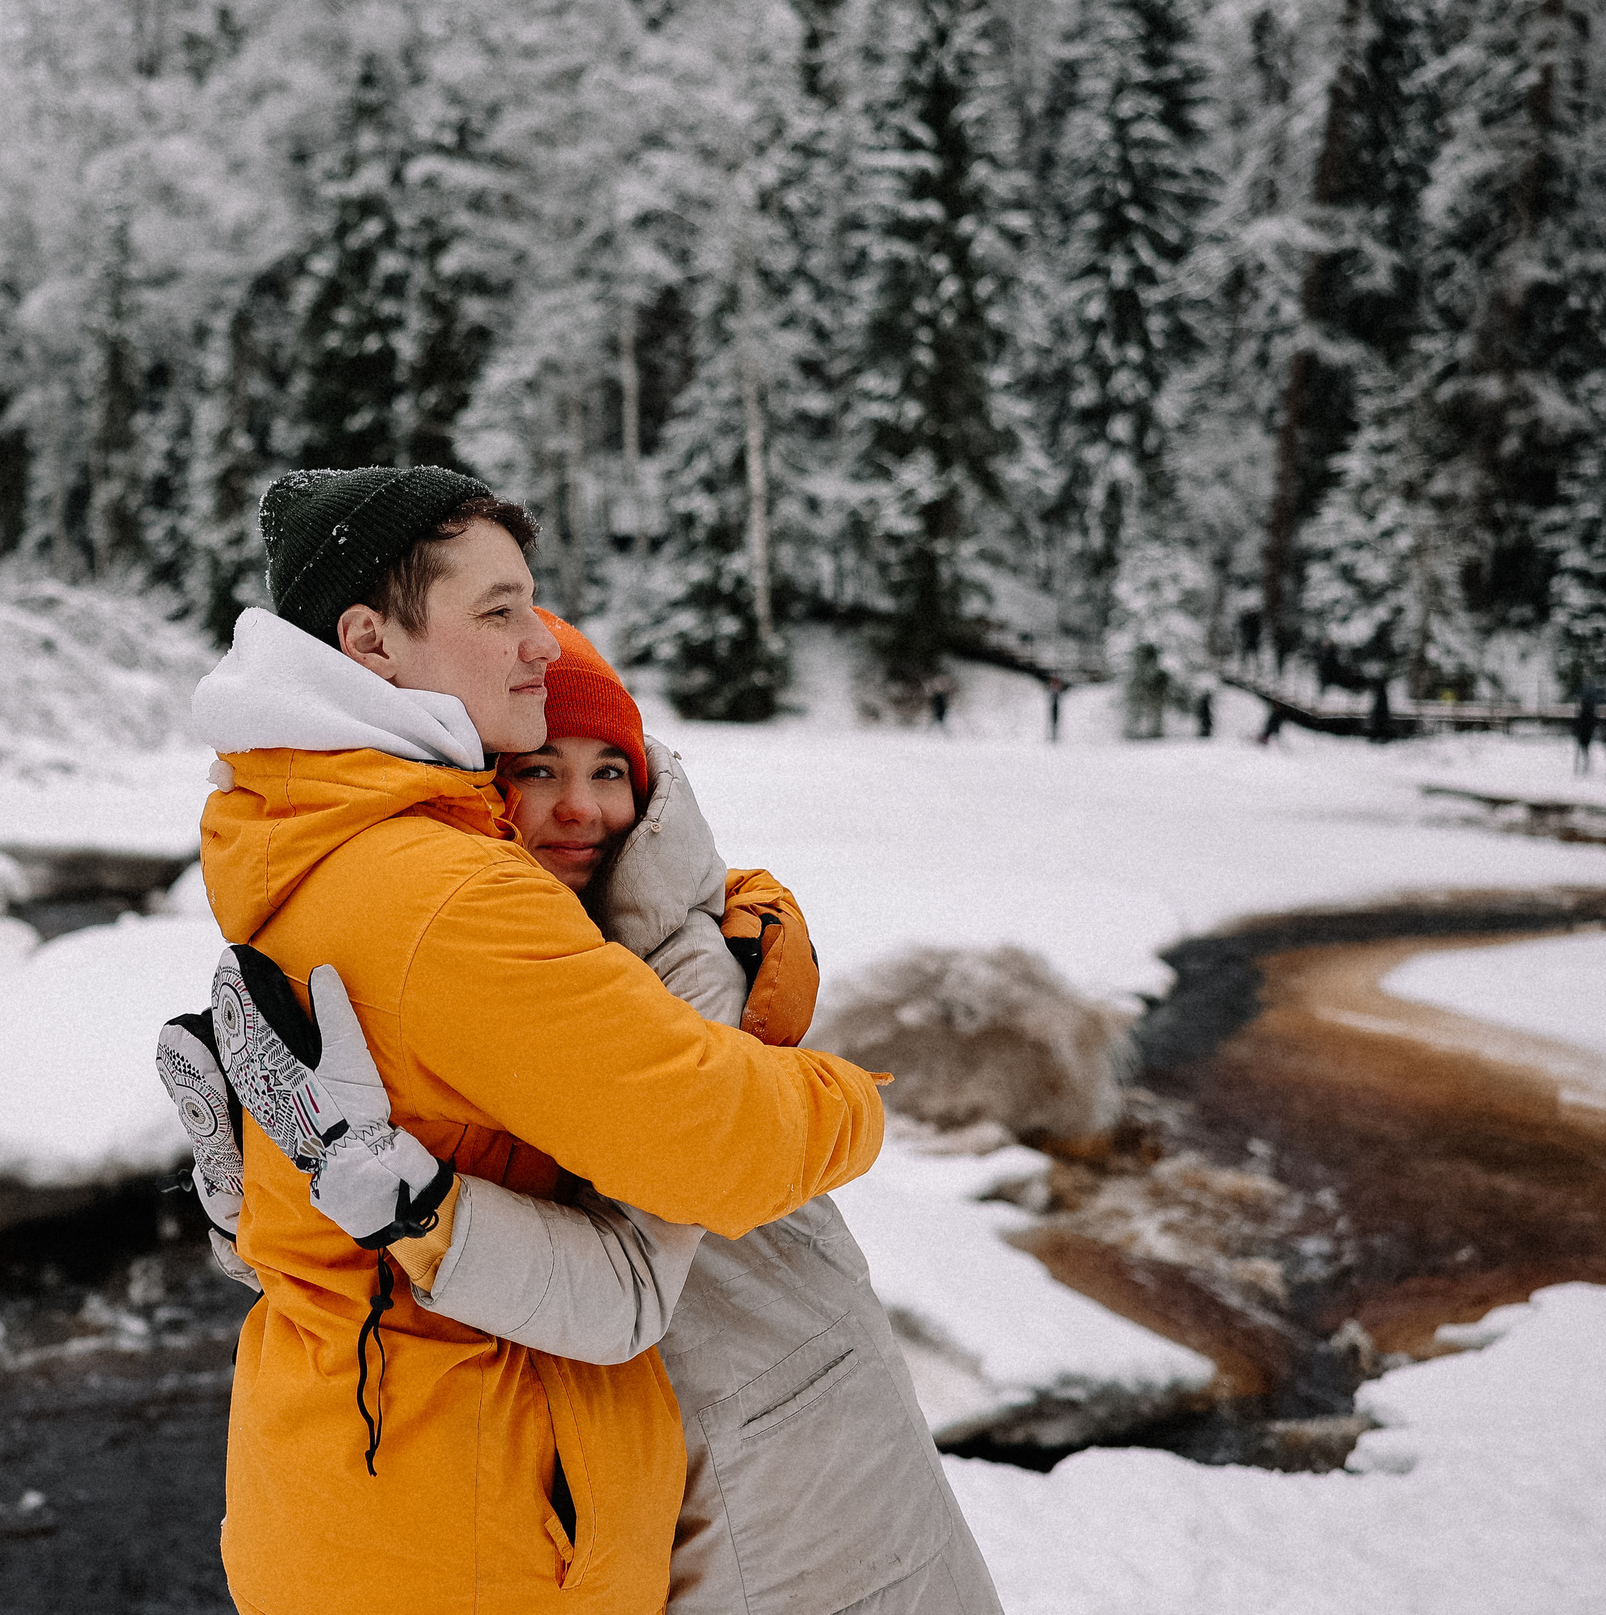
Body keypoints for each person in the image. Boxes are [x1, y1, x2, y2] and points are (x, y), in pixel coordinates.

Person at [171, 612, 1002, 1614]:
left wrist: (413, 1206)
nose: (577, 809)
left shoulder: (682, 972)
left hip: (767, 1428)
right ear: (484, 787)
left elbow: (622, 1287)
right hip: (651, 1413)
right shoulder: (494, 955)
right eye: (536, 771)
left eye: (609, 771)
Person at [1574, 684, 1600, 775]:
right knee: (1584, 751)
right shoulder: (1588, 713)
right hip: (1585, 734)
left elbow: (1581, 724)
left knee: (1584, 751)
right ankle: (1582, 766)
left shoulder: (1584, 713)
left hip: (1584, 734)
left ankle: (1583, 767)